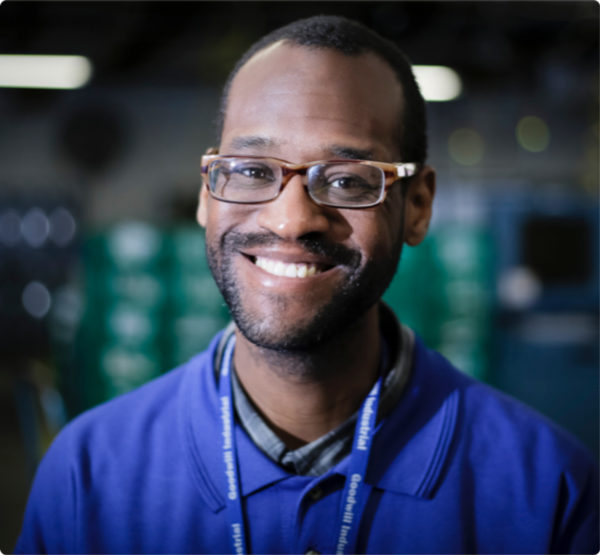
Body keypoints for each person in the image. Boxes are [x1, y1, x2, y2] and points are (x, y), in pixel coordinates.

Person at [15, 15, 598, 555]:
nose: (290, 220)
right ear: (204, 194)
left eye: (346, 180)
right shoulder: (88, 475)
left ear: (417, 206)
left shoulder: (547, 492)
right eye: (251, 171)